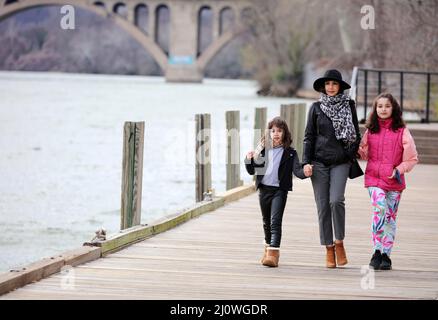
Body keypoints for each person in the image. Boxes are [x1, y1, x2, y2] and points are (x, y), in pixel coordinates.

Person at [302, 69, 361, 268]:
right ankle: (328, 248)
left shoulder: (349, 105)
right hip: (318, 163)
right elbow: (309, 136)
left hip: (341, 162)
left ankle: (339, 242)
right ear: (323, 87)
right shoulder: (316, 108)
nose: (331, 87)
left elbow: (356, 134)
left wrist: (349, 155)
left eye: (334, 84)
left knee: (336, 200)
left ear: (340, 87)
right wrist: (305, 162)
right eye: (328, 84)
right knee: (323, 206)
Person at [358, 93, 418, 270]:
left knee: (390, 217)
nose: (383, 109)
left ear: (394, 109)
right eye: (379, 106)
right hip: (374, 179)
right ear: (375, 109)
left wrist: (399, 170)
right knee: (380, 208)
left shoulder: (402, 132)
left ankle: (386, 255)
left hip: (394, 181)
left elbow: (412, 158)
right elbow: (363, 152)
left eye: (387, 106)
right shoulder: (371, 131)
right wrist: (354, 147)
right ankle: (376, 251)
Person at [245, 117, 310, 267]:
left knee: (275, 221)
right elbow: (251, 171)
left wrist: (306, 172)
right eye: (273, 131)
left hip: (279, 191)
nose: (276, 134)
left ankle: (273, 254)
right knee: (266, 222)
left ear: (284, 133)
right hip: (264, 190)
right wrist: (248, 159)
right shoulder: (262, 150)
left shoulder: (290, 152)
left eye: (279, 131)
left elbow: (297, 171)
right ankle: (267, 249)